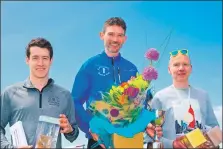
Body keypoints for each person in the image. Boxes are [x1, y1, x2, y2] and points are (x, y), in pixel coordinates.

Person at [71, 17, 162, 149]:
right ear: (102, 35)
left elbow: (139, 104)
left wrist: (145, 124)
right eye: (111, 34)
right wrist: (90, 126)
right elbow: (75, 101)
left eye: (119, 35)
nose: (115, 39)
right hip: (99, 141)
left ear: (125, 39)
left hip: (128, 140)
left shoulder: (131, 68)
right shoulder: (90, 66)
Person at [1, 38, 79, 148]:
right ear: (27, 60)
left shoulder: (64, 95)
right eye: (35, 58)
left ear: (51, 60)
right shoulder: (10, 93)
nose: (40, 63)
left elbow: (73, 135)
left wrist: (69, 130)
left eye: (45, 58)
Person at [151, 49, 219, 148]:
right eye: (176, 65)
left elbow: (215, 129)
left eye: (185, 64)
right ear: (169, 69)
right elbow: (151, 135)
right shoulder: (160, 97)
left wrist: (209, 143)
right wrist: (172, 144)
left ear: (191, 69)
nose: (181, 68)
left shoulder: (203, 95)